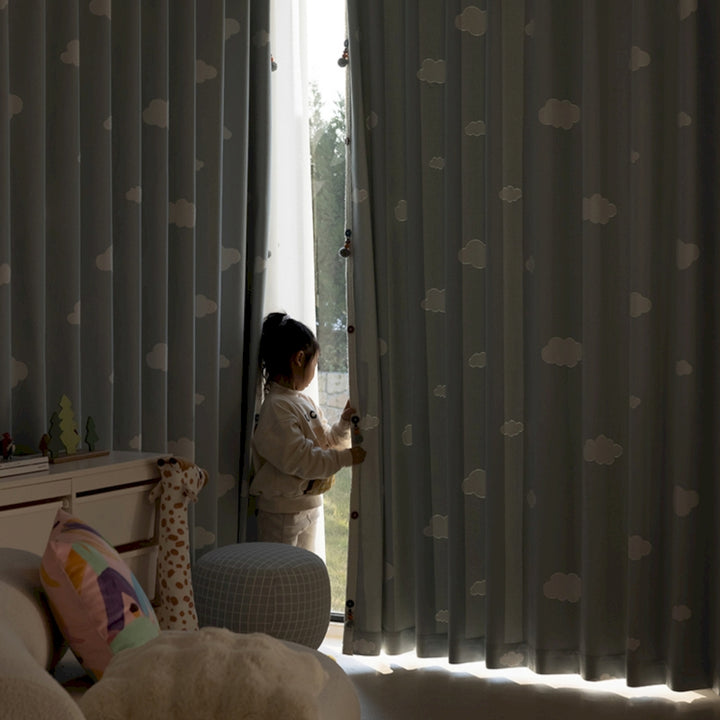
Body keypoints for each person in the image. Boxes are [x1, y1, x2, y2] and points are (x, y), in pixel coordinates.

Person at [250, 312, 366, 550]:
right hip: (283, 511)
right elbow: (300, 458)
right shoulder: (277, 407)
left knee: (305, 568)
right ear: (299, 358)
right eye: (315, 363)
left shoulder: (303, 401)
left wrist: (344, 425)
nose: (315, 370)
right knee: (280, 570)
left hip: (308, 505)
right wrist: (344, 459)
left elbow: (326, 443)